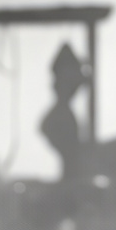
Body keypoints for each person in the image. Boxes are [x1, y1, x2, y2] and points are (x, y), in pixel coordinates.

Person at [40, 43, 89, 181]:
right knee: (71, 158)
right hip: (59, 123)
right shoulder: (61, 115)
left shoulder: (62, 113)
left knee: (71, 159)